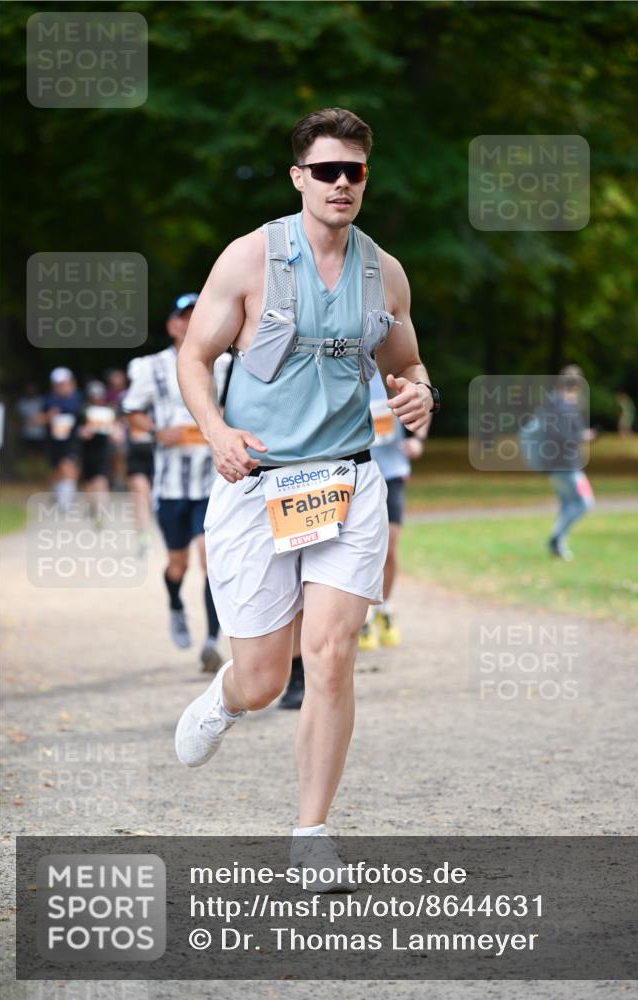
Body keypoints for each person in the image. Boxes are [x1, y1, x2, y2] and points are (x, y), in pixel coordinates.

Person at [173, 107, 440, 870]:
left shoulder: (382, 271)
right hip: (259, 484)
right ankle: (227, 699)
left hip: (348, 480)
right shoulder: (249, 260)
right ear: (298, 177)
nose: (341, 184)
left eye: (353, 170)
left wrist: (418, 392)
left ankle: (311, 834)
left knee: (328, 656)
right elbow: (195, 358)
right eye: (326, 170)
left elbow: (407, 363)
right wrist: (217, 432)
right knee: (263, 678)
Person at [121, 294, 233, 673]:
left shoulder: (228, 364)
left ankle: (212, 641)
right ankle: (175, 604)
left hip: (212, 479)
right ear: (172, 325)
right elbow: (132, 413)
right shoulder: (149, 367)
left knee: (211, 561)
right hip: (169, 484)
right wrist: (156, 431)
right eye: (183, 318)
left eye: (198, 316)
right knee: (177, 564)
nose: (190, 324)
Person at [359, 369, 430, 651]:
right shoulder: (339, 363)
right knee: (360, 550)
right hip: (353, 473)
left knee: (389, 548)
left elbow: (424, 399)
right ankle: (361, 615)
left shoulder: (390, 366)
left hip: (392, 469)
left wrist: (418, 440)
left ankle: (383, 610)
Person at [545, 365, 595, 561]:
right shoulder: (565, 407)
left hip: (553, 464)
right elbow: (565, 435)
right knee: (584, 503)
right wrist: (583, 436)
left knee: (566, 504)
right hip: (568, 465)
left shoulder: (552, 403)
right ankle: (556, 538)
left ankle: (558, 543)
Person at [38, 367, 83, 514]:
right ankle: (59, 495)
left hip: (72, 441)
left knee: (68, 466)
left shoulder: (78, 399)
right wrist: (48, 417)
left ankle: (66, 504)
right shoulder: (48, 400)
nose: (63, 387)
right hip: (54, 442)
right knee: (56, 471)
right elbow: (38, 419)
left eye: (65, 383)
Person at [123, 357, 155, 557]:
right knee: (140, 495)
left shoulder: (159, 396)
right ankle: (143, 537)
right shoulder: (127, 400)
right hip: (136, 455)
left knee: (151, 498)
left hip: (158, 455)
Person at [78, 380, 121, 524]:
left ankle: (101, 510)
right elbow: (78, 430)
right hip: (87, 449)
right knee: (89, 481)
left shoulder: (109, 411)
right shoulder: (83, 411)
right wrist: (84, 431)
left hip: (103, 449)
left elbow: (116, 430)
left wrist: (115, 434)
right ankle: (93, 506)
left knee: (101, 478)